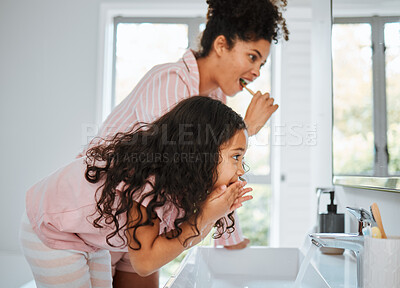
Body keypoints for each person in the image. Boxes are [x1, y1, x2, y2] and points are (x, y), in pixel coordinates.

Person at [80, 0, 289, 286]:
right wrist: (247, 128)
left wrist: (230, 240)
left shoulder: (215, 102)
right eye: (252, 57)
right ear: (220, 45)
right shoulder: (170, 80)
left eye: (262, 64)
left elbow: (220, 173)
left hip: (145, 218)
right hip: (101, 216)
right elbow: (175, 160)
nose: (257, 72)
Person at [20, 96, 253, 288]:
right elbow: (144, 262)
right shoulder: (148, 181)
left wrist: (208, 215)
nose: (241, 168)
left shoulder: (179, 184)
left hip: (86, 238)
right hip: (52, 226)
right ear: (201, 153)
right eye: (236, 156)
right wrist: (205, 217)